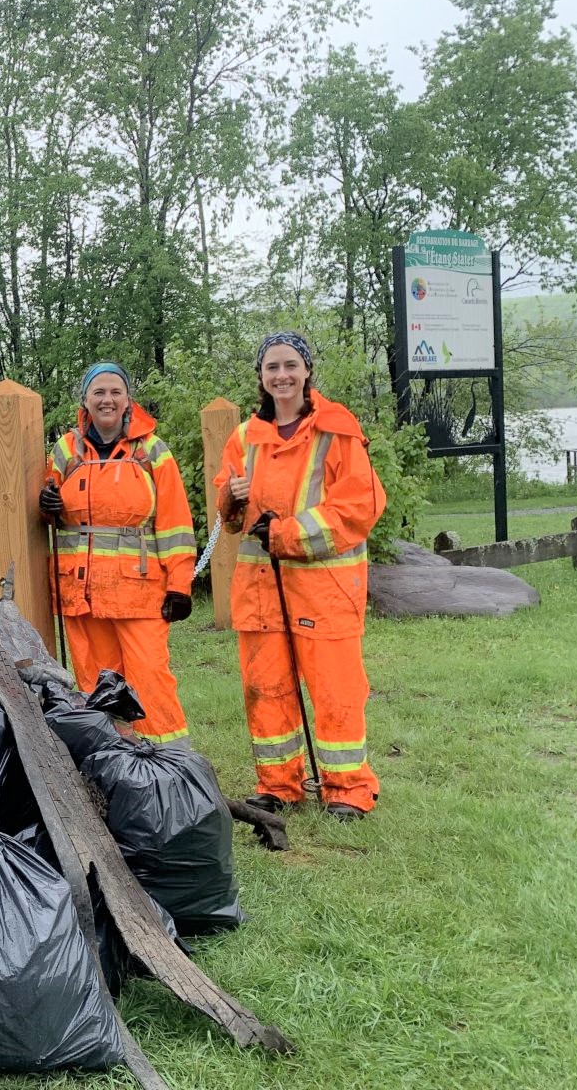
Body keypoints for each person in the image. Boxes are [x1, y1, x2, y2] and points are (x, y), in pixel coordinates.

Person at [212, 332, 385, 821]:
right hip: (262, 591)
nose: (282, 375)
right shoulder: (245, 437)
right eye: (272, 367)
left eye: (290, 365)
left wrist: (286, 534)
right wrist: (232, 500)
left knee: (336, 692)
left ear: (307, 370)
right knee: (266, 690)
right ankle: (278, 784)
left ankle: (348, 789)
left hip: (324, 591)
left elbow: (359, 508)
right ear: (261, 377)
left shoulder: (336, 430)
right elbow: (228, 510)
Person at [41, 363, 197, 743]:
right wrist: (44, 504)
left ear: (128, 400)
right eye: (99, 392)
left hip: (139, 594)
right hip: (82, 594)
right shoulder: (66, 449)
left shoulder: (152, 452)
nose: (107, 399)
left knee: (150, 682)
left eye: (115, 391)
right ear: (85, 400)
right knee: (95, 685)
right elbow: (47, 510)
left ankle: (172, 766)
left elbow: (175, 525)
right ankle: (113, 764)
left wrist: (180, 585)